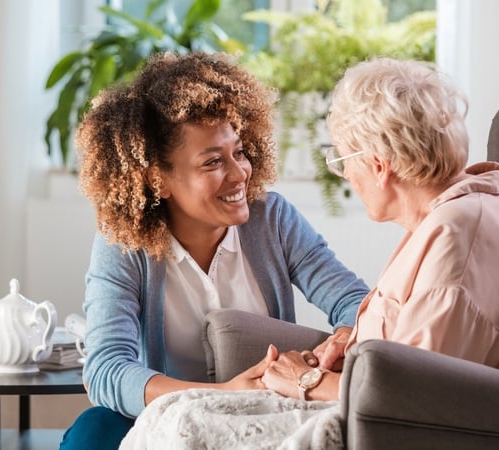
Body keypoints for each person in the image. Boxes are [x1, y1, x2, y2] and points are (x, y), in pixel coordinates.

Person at [117, 56, 499, 449]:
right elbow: (414, 356)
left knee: (182, 427)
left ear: (378, 166)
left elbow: (415, 401)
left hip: (486, 431)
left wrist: (305, 381)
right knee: (175, 416)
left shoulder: (458, 240)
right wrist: (351, 345)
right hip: (407, 412)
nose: (344, 176)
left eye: (342, 161)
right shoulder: (451, 218)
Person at [58, 51, 370, 450]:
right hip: (164, 421)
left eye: (238, 152)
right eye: (213, 162)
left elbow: (354, 302)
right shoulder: (123, 243)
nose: (240, 173)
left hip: (260, 418)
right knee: (94, 430)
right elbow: (106, 370)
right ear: (158, 178)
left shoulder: (272, 220)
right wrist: (220, 393)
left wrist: (342, 339)